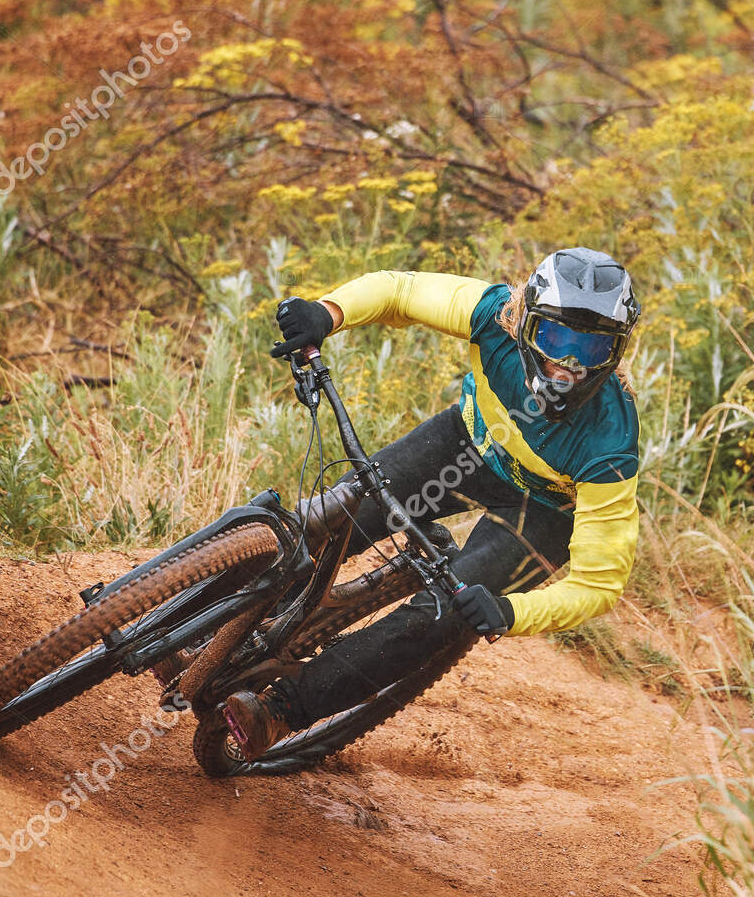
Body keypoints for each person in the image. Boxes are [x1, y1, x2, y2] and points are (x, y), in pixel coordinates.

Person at [222, 247, 642, 759]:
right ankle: (215, 623)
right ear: (526, 320)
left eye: (592, 347)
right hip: (467, 446)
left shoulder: (610, 443)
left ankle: (281, 711)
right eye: (556, 338)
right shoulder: (495, 317)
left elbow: (599, 584)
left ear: (617, 351)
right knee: (338, 518)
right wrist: (327, 312)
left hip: (544, 510)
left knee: (442, 615)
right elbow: (400, 290)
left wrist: (510, 611)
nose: (569, 365)